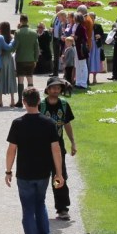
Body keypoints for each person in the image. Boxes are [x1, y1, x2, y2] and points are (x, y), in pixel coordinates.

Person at [5, 87, 64, 234]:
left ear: (24, 102)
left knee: (28, 210)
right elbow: (56, 150)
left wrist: (8, 170)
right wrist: (59, 173)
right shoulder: (48, 123)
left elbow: (11, 150)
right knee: (40, 205)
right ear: (39, 101)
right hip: (43, 173)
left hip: (24, 173)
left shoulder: (18, 123)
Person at [39, 77, 77, 221]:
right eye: (53, 88)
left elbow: (67, 124)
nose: (56, 90)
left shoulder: (64, 105)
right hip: (42, 148)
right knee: (40, 177)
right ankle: (38, 206)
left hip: (58, 147)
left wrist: (73, 142)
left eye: (58, 88)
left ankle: (61, 208)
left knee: (59, 177)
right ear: (47, 89)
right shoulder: (41, 105)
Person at [12, 14, 40, 107]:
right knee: (30, 79)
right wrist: (35, 59)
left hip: (20, 59)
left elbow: (15, 46)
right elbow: (37, 48)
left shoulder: (18, 32)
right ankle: (31, 101)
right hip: (31, 59)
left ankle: (20, 101)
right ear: (27, 21)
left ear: (20, 21)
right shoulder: (34, 33)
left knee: (20, 80)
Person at [0, 21, 17, 107]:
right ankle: (12, 99)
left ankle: (0, 100)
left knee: (0, 78)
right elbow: (13, 49)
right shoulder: (11, 37)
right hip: (9, 58)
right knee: (10, 77)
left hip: (1, 58)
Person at [73, 13, 89, 89]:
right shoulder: (78, 26)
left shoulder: (81, 27)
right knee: (78, 65)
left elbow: (84, 38)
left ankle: (83, 83)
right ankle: (78, 82)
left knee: (82, 65)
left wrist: (75, 37)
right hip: (77, 47)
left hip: (81, 48)